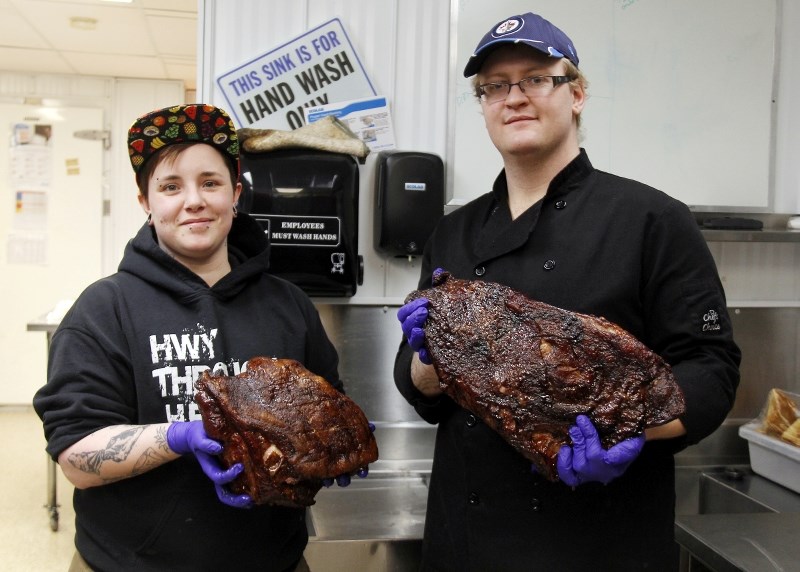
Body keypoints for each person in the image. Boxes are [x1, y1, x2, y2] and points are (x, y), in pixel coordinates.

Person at [393, 13, 740, 572]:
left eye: (535, 78)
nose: (514, 98)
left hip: (595, 541)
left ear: (576, 94)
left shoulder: (652, 220)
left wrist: (627, 431)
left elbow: (711, 368)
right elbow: (418, 386)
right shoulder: (452, 232)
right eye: (495, 86)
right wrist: (428, 363)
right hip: (465, 541)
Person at [33, 103, 359, 572]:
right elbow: (75, 457)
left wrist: (335, 444)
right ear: (145, 202)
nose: (194, 201)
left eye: (210, 182)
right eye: (170, 187)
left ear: (236, 193)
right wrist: (180, 436)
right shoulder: (104, 309)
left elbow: (330, 403)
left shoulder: (289, 305)